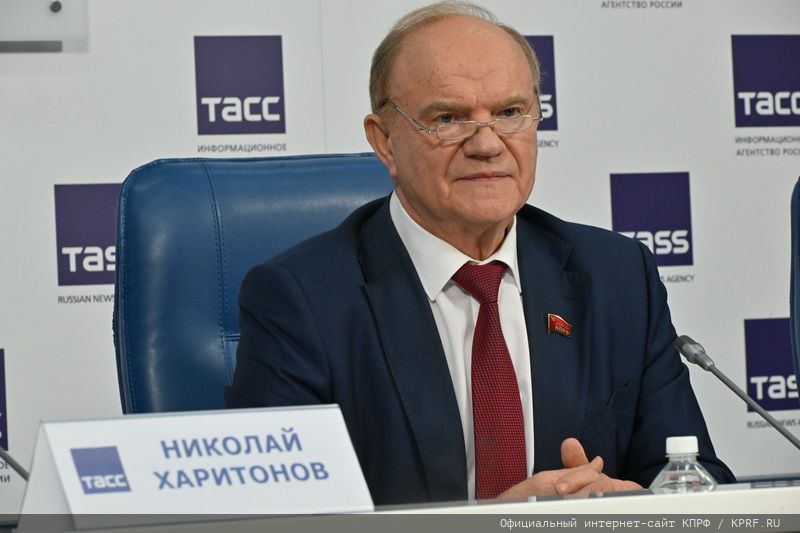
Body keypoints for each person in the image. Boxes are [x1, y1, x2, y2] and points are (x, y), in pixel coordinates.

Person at [226, 1, 734, 505]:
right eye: (448, 118)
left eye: (510, 113)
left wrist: (628, 504)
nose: (487, 144)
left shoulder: (617, 277)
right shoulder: (303, 301)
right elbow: (274, 514)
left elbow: (693, 480)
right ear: (385, 142)